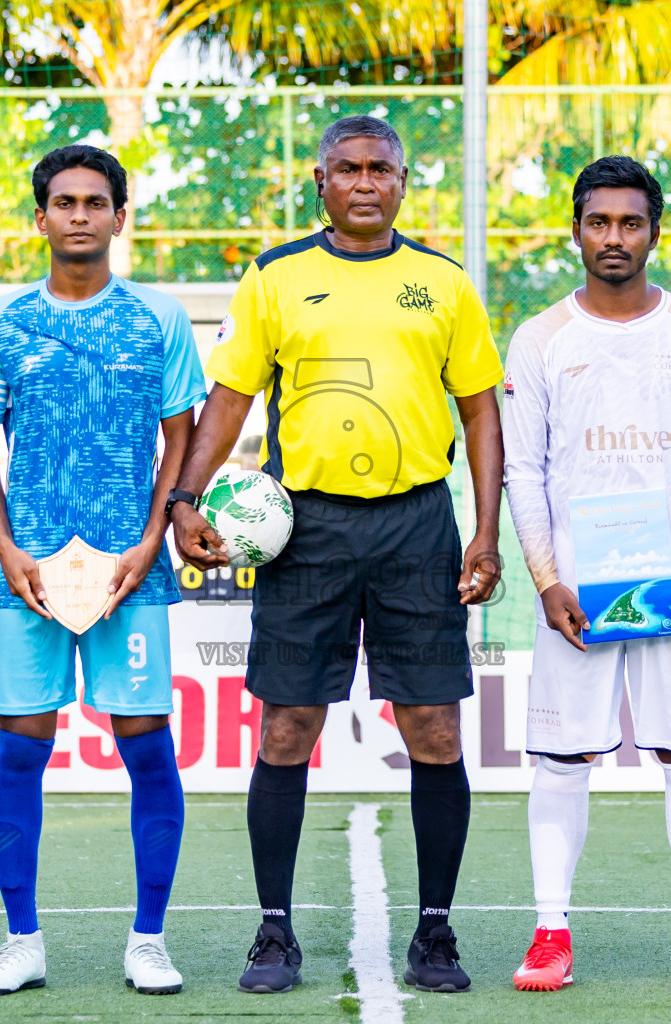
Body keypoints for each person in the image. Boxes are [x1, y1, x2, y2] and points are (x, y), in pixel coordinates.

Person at [168, 115, 504, 995]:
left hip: (416, 527)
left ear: (403, 181)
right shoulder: (278, 276)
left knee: (433, 728)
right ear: (320, 181)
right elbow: (231, 397)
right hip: (303, 531)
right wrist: (182, 501)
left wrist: (486, 527)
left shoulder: (443, 281)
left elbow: (479, 411)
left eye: (381, 169)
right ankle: (273, 932)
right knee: (287, 727)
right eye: (348, 169)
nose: (365, 182)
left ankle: (435, 931)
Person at [0, 145, 206, 997]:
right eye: (62, 202)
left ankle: (149, 938)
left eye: (94, 202)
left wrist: (150, 543)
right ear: (40, 218)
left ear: (118, 216)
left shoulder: (159, 319)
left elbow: (181, 438)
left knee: (145, 748)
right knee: (21, 752)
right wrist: (5, 548)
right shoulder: (3, 321)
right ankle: (21, 940)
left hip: (128, 574)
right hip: (30, 576)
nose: (78, 215)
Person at [502, 157, 671, 994]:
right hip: (575, 591)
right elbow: (524, 472)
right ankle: (548, 930)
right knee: (562, 761)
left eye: (630, 223)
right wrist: (545, 578)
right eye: (599, 223)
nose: (615, 238)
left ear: (655, 230)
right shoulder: (539, 340)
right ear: (575, 229)